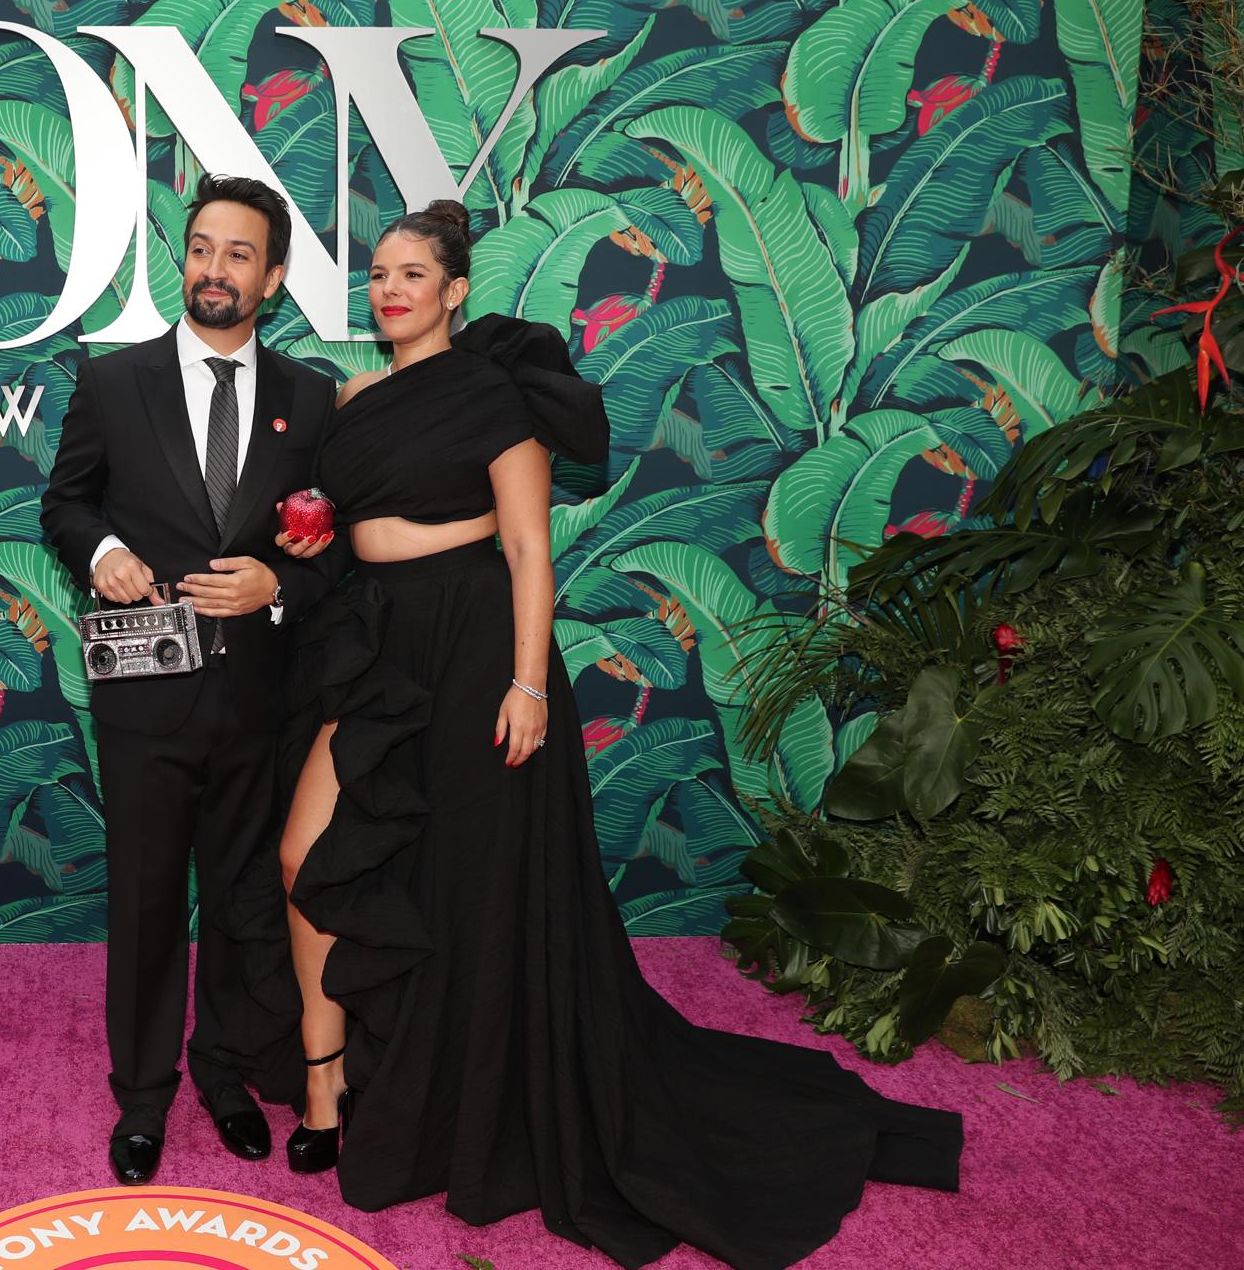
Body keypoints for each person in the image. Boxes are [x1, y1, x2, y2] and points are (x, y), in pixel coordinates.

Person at [269, 198, 965, 1268]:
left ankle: (455, 1088)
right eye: (378, 274)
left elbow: (528, 549)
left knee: (465, 878)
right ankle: (327, 1084)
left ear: (456, 289)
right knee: (304, 851)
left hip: (471, 641)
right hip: (378, 642)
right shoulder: (357, 395)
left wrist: (528, 683)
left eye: (414, 273)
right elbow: (337, 524)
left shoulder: (498, 391)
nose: (391, 289)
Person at [40, 174, 345, 1187]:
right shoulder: (114, 383)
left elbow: (325, 543)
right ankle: (142, 1096)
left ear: (275, 274)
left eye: (239, 253)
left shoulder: (310, 396)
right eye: (202, 248)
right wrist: (104, 552)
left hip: (257, 698)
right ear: (185, 259)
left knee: (242, 899)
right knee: (143, 902)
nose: (215, 269)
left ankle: (222, 1071)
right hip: (145, 699)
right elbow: (65, 503)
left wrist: (277, 581)